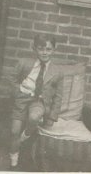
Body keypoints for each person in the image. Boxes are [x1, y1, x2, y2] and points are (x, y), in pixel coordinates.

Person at [9, 34, 63, 169]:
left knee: (34, 117)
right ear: (35, 49)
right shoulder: (24, 63)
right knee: (14, 131)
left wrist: (52, 116)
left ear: (54, 50)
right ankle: (13, 159)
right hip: (22, 98)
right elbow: (12, 79)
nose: (45, 52)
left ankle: (26, 135)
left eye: (49, 49)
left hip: (39, 101)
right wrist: (18, 92)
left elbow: (58, 96)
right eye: (41, 49)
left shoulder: (57, 71)